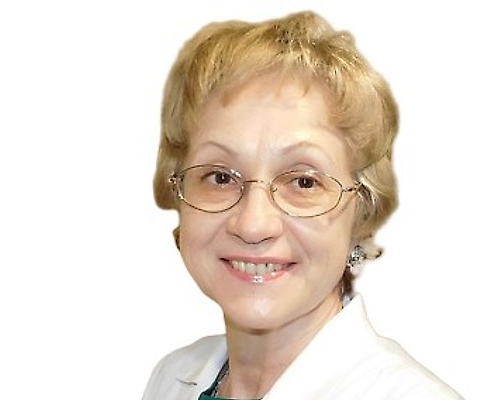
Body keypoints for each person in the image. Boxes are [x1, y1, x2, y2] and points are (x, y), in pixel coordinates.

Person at [143, 10, 463, 400]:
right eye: (221, 177)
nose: (253, 224)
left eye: (304, 182)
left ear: (362, 209)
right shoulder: (171, 377)